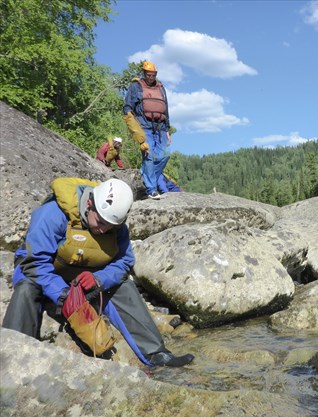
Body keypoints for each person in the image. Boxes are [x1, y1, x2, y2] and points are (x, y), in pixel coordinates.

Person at [2, 177, 194, 367]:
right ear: (89, 204)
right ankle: (12, 356)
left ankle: (156, 354)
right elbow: (34, 261)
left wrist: (98, 279)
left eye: (111, 226)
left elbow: (124, 262)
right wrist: (63, 295)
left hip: (84, 274)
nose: (104, 230)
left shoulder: (116, 225)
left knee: (123, 287)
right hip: (41, 271)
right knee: (27, 289)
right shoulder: (53, 213)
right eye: (101, 222)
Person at [123, 61, 171, 200]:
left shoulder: (161, 88)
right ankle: (151, 189)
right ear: (144, 73)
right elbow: (127, 108)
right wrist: (136, 132)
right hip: (144, 126)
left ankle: (145, 175)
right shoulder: (136, 86)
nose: (151, 77)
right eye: (149, 74)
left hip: (161, 127)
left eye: (153, 74)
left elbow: (165, 108)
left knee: (165, 155)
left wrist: (167, 129)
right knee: (149, 156)